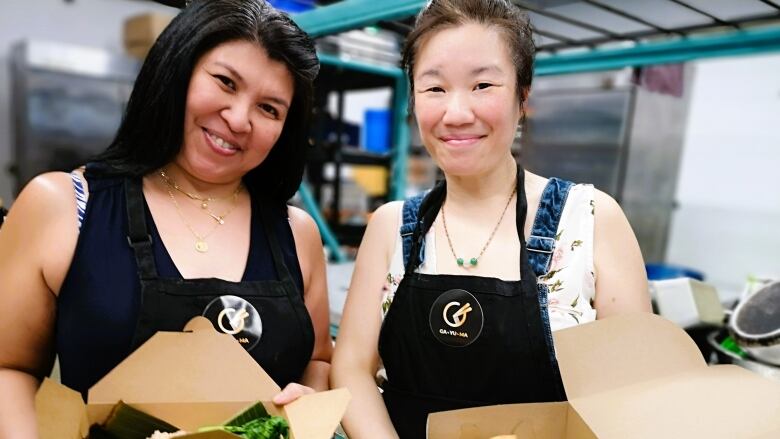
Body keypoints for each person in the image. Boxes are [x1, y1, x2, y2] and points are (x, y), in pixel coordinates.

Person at [0, 1, 332, 437]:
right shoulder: (64, 205)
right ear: (176, 70)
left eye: (269, 108)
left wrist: (309, 402)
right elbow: (10, 367)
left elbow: (318, 360)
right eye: (225, 82)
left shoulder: (297, 233)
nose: (238, 119)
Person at [330, 0, 652, 437]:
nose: (457, 113)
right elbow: (351, 368)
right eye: (435, 88)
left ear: (522, 97)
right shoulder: (390, 225)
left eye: (483, 85)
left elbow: (633, 392)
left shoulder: (591, 219)